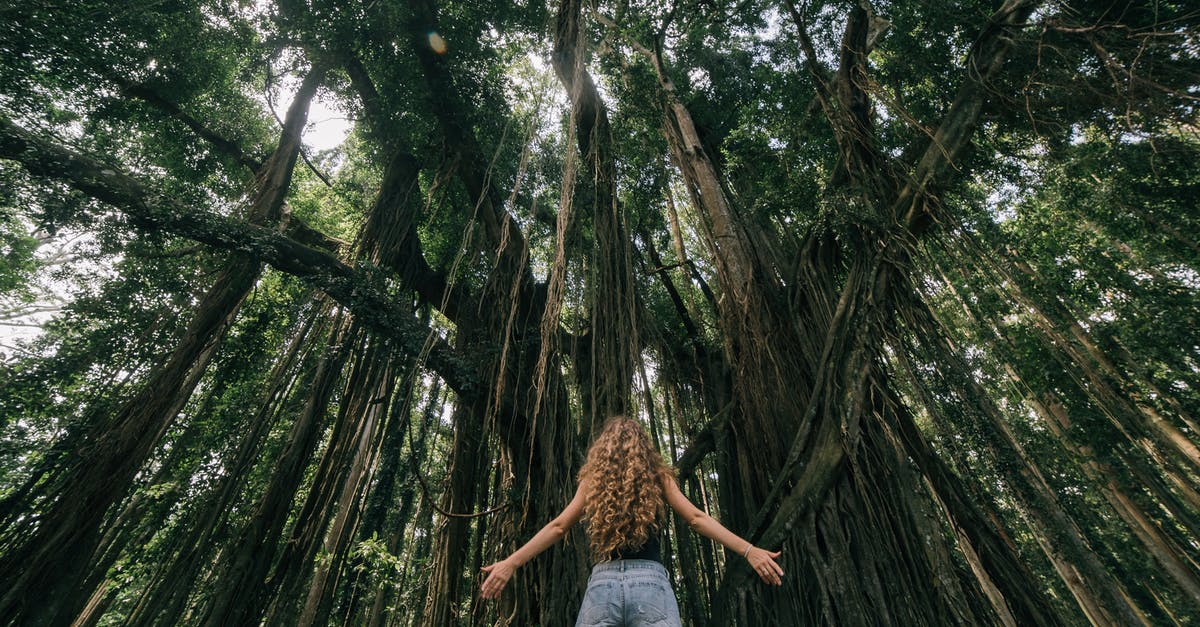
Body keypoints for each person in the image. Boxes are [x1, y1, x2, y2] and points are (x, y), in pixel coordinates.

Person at [479, 415, 784, 626]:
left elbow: (558, 526)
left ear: (603, 449)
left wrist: (511, 563)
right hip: (650, 584)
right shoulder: (658, 476)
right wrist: (749, 550)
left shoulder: (593, 481)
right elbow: (695, 517)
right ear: (643, 446)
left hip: (603, 585)